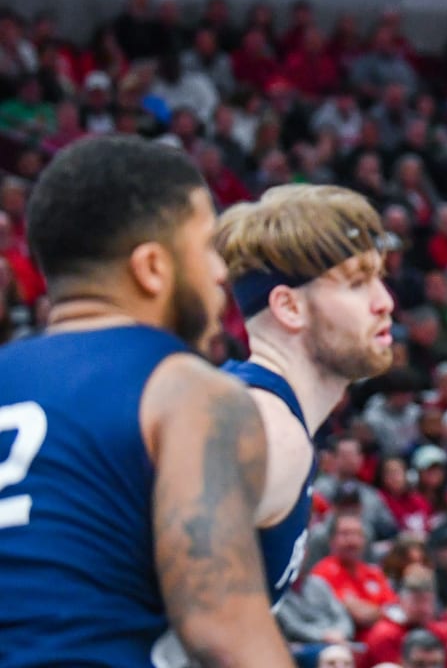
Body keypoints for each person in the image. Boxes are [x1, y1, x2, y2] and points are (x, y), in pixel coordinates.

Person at [0, 136, 296, 666]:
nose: (221, 272)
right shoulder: (187, 390)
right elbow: (223, 629)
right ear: (152, 267)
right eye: (208, 246)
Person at [211, 184, 398, 598]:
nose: (384, 301)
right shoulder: (268, 433)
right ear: (289, 308)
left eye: (379, 279)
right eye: (357, 283)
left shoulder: (249, 409)